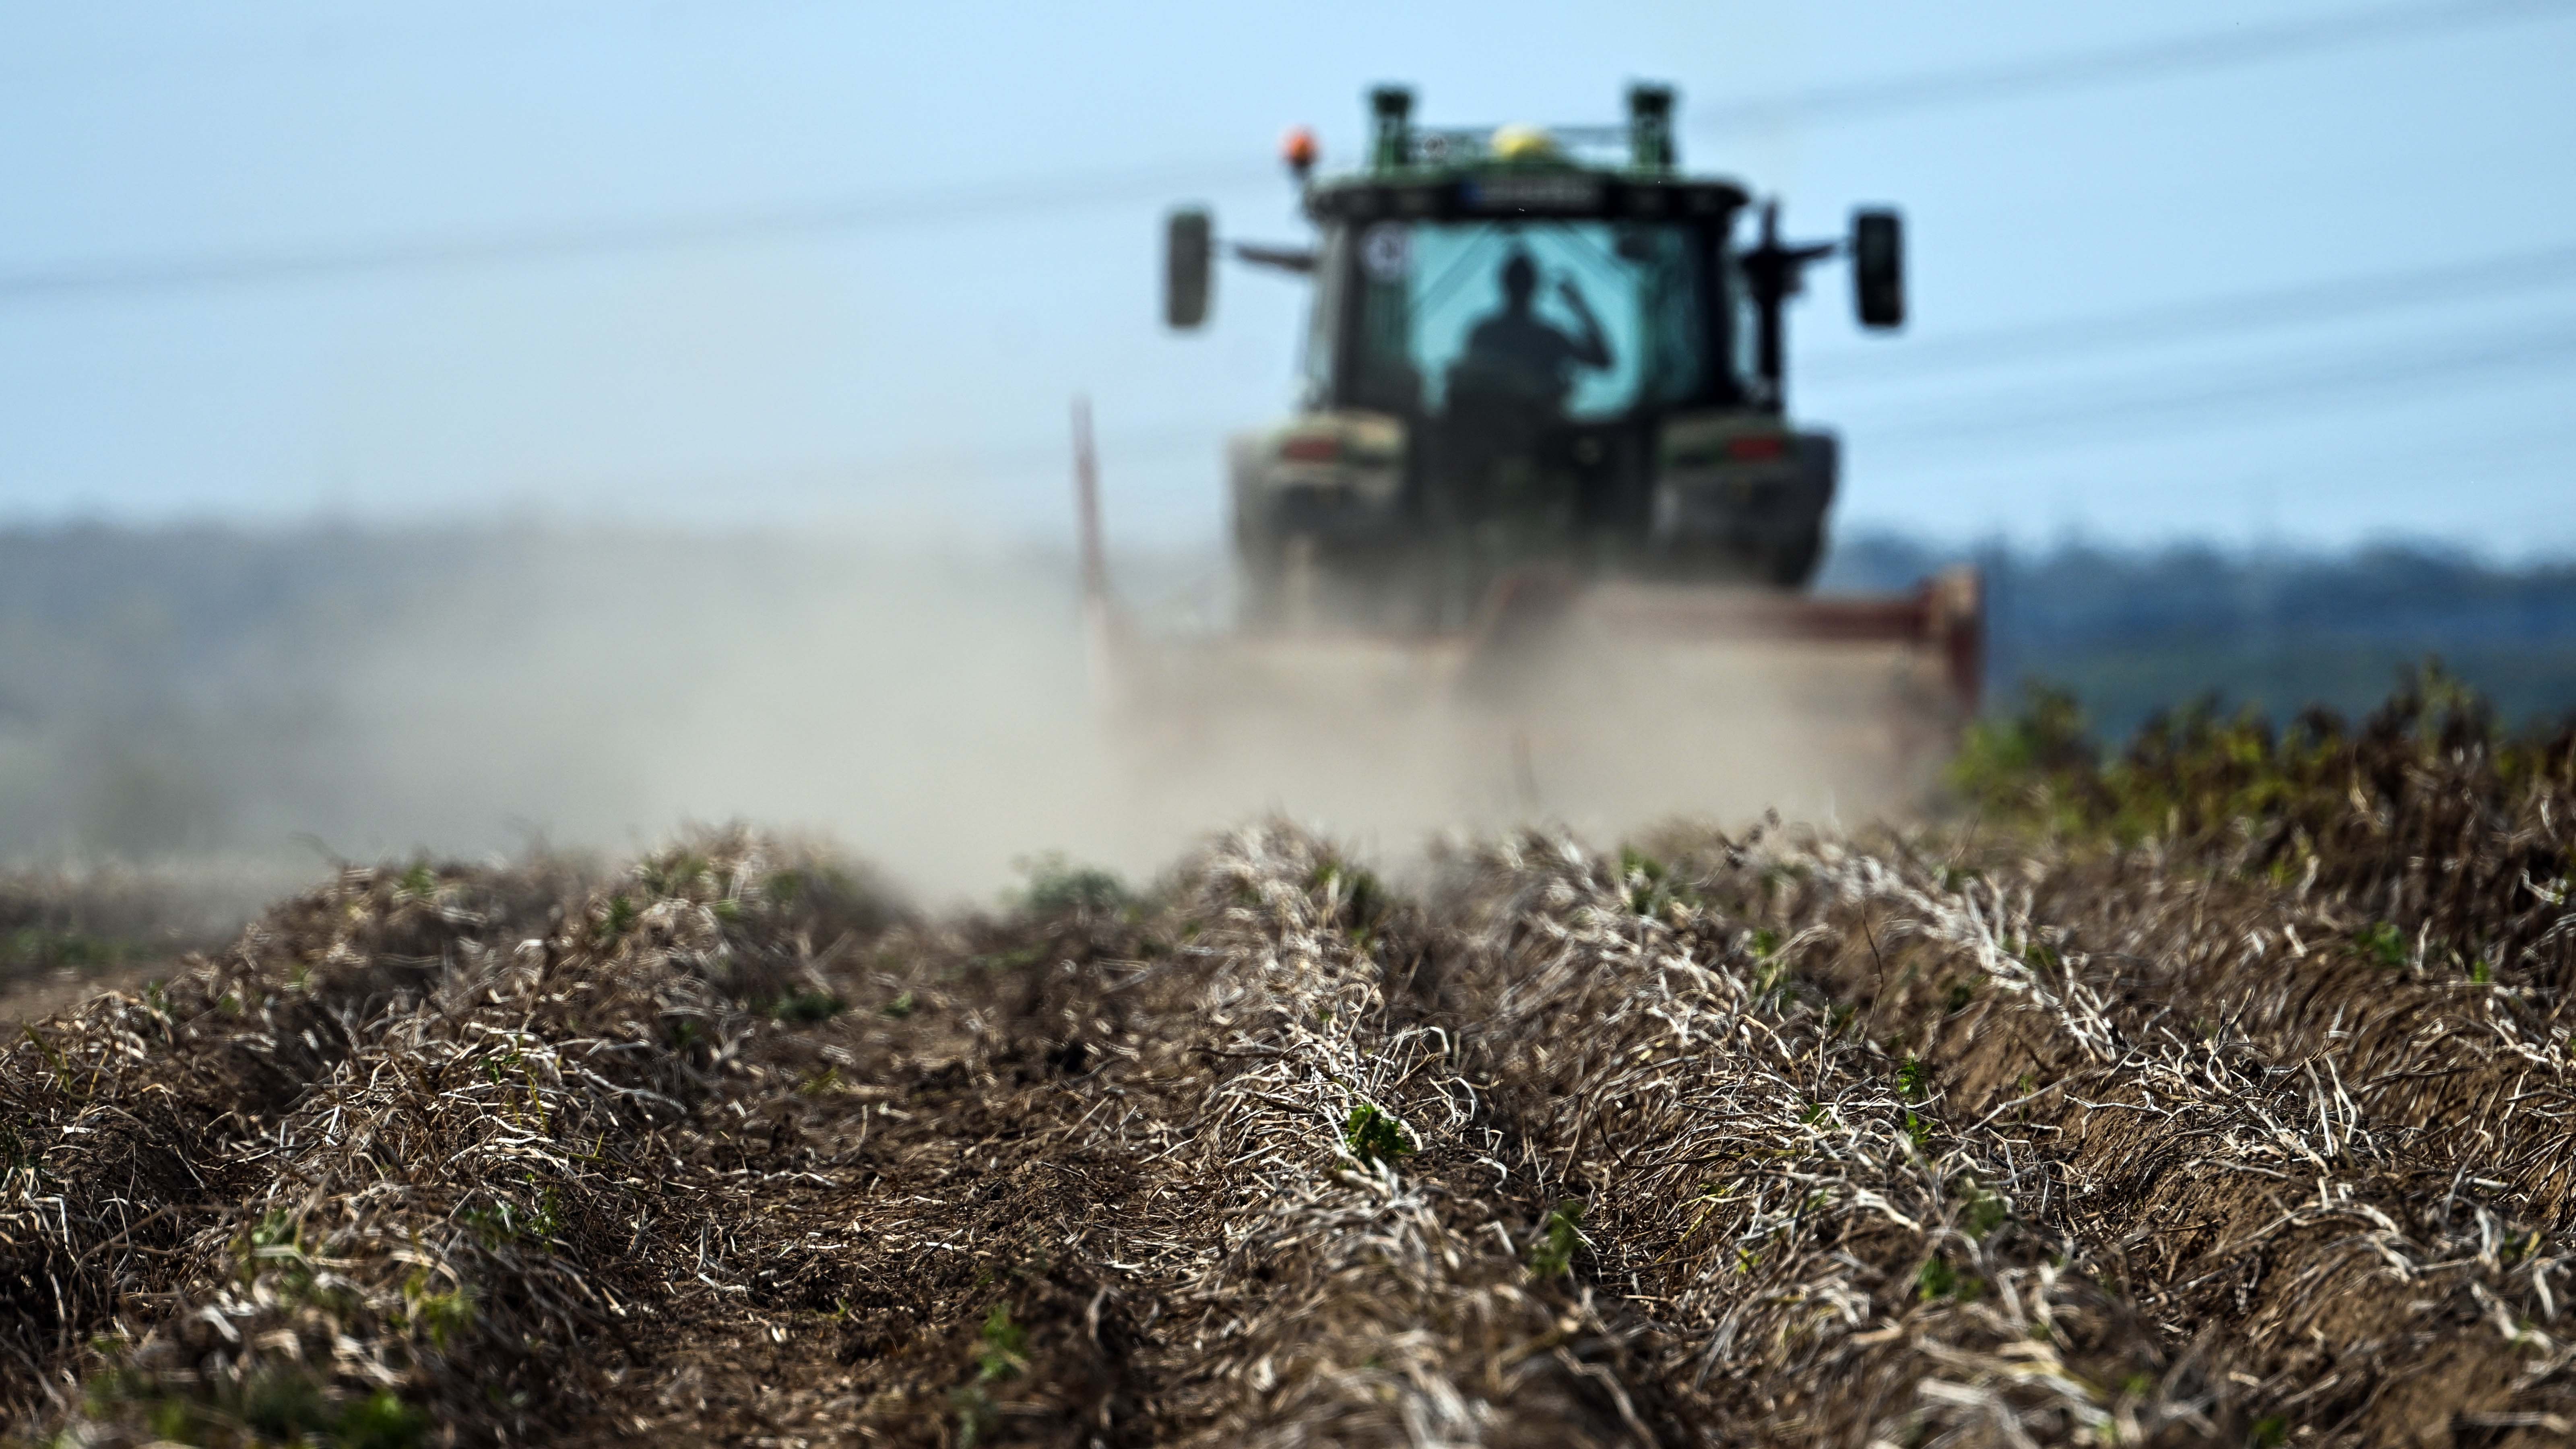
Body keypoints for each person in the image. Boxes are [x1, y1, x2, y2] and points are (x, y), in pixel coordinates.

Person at [1448, 250, 1613, 416]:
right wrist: (1578, 305)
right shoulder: (1549, 337)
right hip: (1542, 429)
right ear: (1536, 286)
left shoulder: (1482, 332)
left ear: (1502, 283)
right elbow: (1603, 360)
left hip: (1493, 431)